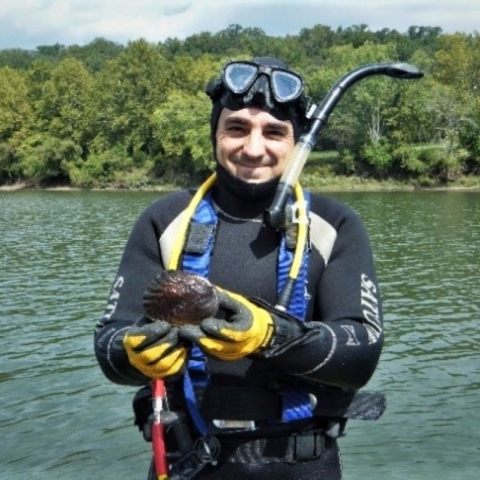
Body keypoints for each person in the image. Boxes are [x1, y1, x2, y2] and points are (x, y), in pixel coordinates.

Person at [94, 56, 385, 480]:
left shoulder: (334, 225)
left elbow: (362, 353)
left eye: (273, 132)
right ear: (215, 132)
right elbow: (109, 346)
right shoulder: (164, 220)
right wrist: (134, 350)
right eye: (236, 128)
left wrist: (272, 334)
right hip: (186, 461)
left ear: (296, 142)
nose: (253, 148)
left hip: (302, 465)